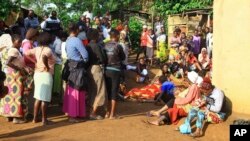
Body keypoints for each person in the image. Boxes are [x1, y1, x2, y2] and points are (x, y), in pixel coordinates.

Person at [24, 32, 56, 125]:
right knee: (45, 99)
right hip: (46, 74)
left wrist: (35, 62)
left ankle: (35, 118)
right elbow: (44, 56)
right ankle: (44, 120)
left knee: (38, 97)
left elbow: (26, 53)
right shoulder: (48, 50)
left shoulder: (36, 48)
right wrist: (47, 66)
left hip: (37, 74)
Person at [0, 34, 32, 124]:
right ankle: (16, 118)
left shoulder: (5, 51)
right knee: (17, 96)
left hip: (9, 76)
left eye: (20, 42)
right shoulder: (13, 50)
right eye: (18, 42)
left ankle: (9, 115)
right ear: (12, 41)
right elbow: (8, 62)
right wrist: (20, 69)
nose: (20, 44)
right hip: (15, 76)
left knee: (9, 96)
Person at [63, 23, 88, 123]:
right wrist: (84, 60)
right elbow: (85, 56)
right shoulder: (77, 40)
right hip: (77, 67)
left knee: (72, 89)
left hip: (70, 66)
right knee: (77, 89)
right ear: (77, 30)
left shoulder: (68, 40)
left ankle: (71, 112)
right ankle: (73, 115)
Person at [104, 29, 125, 119]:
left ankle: (107, 113)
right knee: (114, 92)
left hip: (106, 70)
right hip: (115, 70)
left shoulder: (105, 45)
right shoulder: (118, 46)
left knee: (108, 92)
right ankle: (112, 114)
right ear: (116, 36)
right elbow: (123, 57)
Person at [86, 28, 107, 120]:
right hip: (96, 68)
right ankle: (93, 113)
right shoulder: (96, 46)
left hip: (89, 68)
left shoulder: (87, 46)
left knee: (92, 91)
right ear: (96, 36)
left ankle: (90, 110)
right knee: (100, 91)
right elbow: (102, 59)